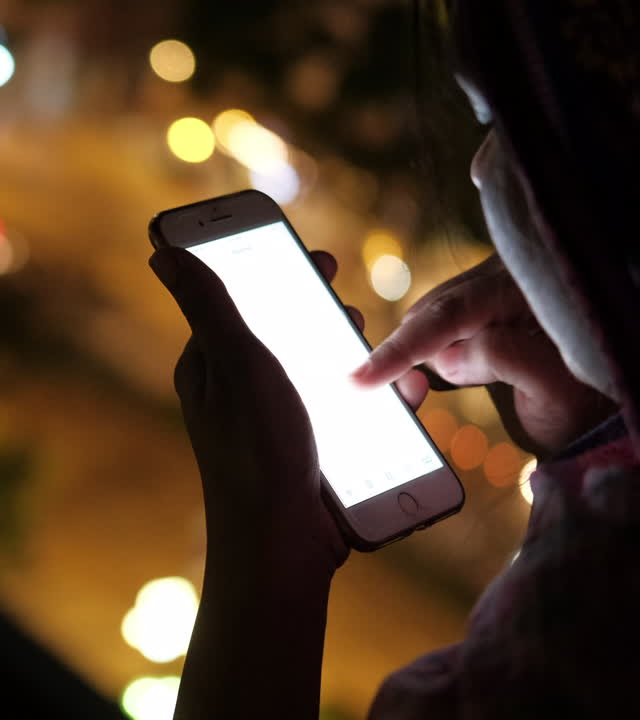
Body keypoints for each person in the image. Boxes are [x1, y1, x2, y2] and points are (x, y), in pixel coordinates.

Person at [149, 1, 640, 717]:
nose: (480, 172)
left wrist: (267, 538)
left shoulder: (576, 645)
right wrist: (594, 427)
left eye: (501, 122)